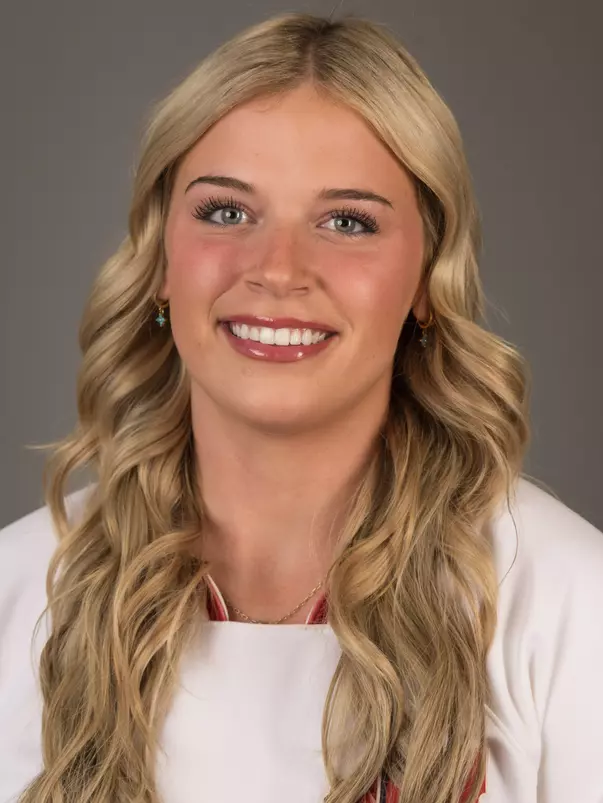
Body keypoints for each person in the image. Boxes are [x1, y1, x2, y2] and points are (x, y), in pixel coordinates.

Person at [1, 11, 602, 803]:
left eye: (346, 221)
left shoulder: (565, 604)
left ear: (426, 279)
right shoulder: (19, 587)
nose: (276, 270)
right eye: (225, 212)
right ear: (158, 261)